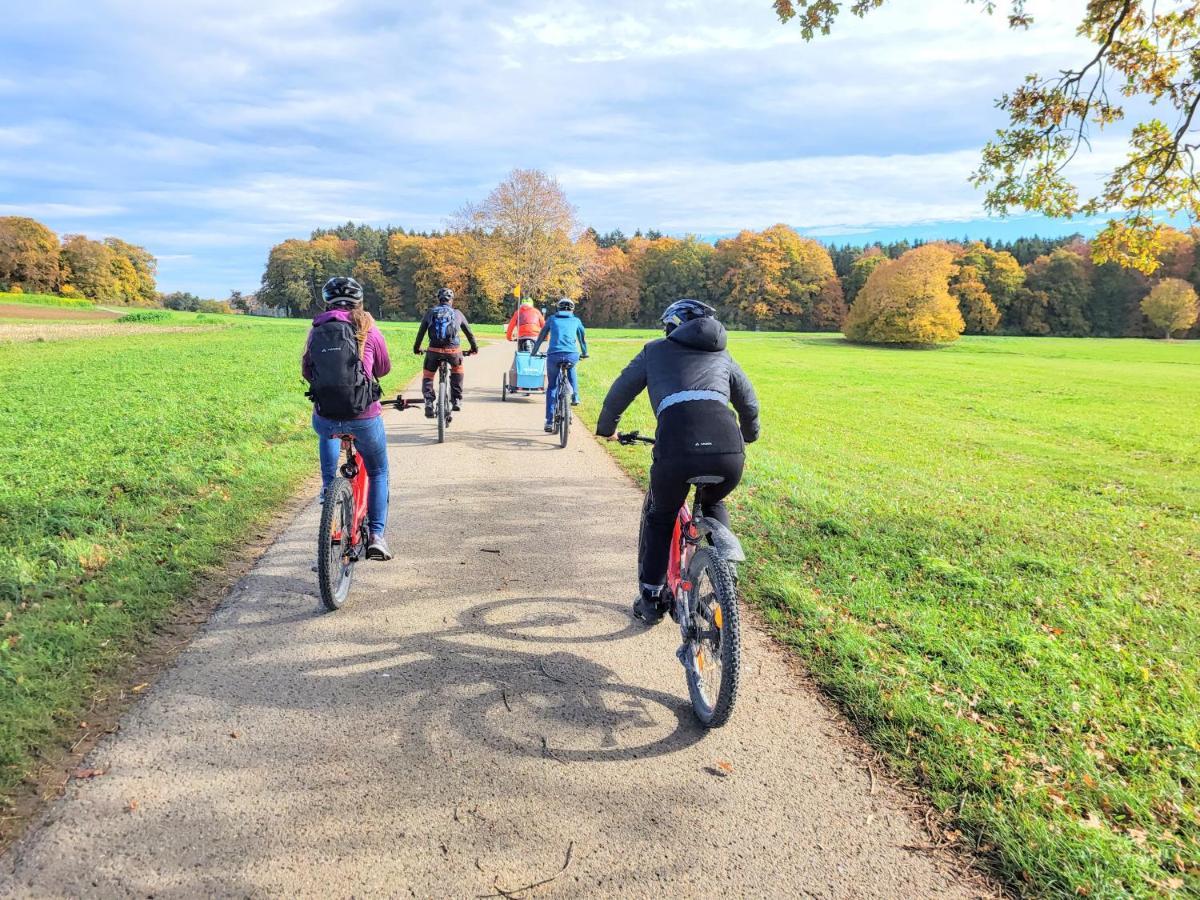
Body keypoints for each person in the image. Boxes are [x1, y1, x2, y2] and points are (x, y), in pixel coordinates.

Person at [595, 299, 759, 624]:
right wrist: (749, 436)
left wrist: (606, 429)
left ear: (672, 326)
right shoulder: (722, 355)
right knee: (713, 504)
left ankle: (652, 599)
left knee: (661, 516)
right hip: (729, 449)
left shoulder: (655, 350)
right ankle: (723, 580)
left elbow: (619, 392)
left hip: (677, 445)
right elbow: (749, 402)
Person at [302, 276, 394, 561]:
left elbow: (307, 370)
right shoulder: (367, 326)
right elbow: (385, 367)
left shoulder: (317, 328)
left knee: (326, 429)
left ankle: (329, 488)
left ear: (327, 301)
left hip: (326, 415)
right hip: (363, 415)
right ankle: (377, 535)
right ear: (359, 301)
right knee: (378, 471)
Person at [412, 287, 479, 418]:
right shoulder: (457, 313)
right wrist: (474, 348)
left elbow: (421, 333)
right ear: (451, 300)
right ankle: (457, 400)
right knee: (457, 369)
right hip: (453, 351)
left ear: (439, 299)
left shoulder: (431, 312)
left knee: (428, 375)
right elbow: (469, 333)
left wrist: (417, 348)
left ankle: (429, 402)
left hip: (434, 351)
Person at [530, 297, 588, 433]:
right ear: (572, 309)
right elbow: (582, 338)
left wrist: (534, 352)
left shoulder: (552, 319)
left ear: (558, 308)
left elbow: (541, 336)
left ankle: (549, 421)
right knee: (572, 367)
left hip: (554, 355)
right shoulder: (576, 321)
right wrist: (585, 352)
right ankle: (575, 396)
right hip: (571, 354)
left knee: (552, 386)